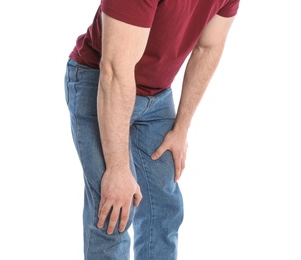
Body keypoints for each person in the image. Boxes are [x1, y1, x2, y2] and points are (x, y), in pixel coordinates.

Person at [64, 0, 240, 259]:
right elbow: (114, 70)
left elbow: (208, 47)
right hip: (99, 82)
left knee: (164, 209)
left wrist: (181, 128)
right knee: (114, 211)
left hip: (157, 95)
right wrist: (117, 169)